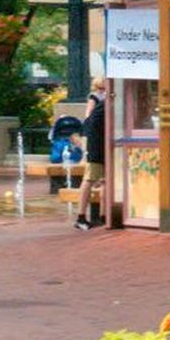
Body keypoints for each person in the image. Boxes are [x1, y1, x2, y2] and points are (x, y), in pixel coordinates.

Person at [75, 75, 109, 229]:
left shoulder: (107, 102)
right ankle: (81, 217)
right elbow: (90, 121)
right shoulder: (102, 102)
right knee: (89, 180)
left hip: (104, 146)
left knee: (105, 181)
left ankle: (103, 216)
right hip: (97, 147)